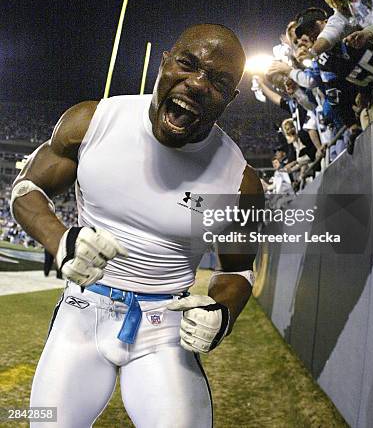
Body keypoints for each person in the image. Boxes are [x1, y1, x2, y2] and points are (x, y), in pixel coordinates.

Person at [10, 24, 263, 428]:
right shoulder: (93, 121)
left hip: (165, 328)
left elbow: (236, 269)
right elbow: (27, 188)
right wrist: (61, 241)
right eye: (188, 64)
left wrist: (222, 312)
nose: (197, 84)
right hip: (82, 312)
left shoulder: (238, 180)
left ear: (230, 99)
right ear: (164, 62)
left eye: (217, 81)